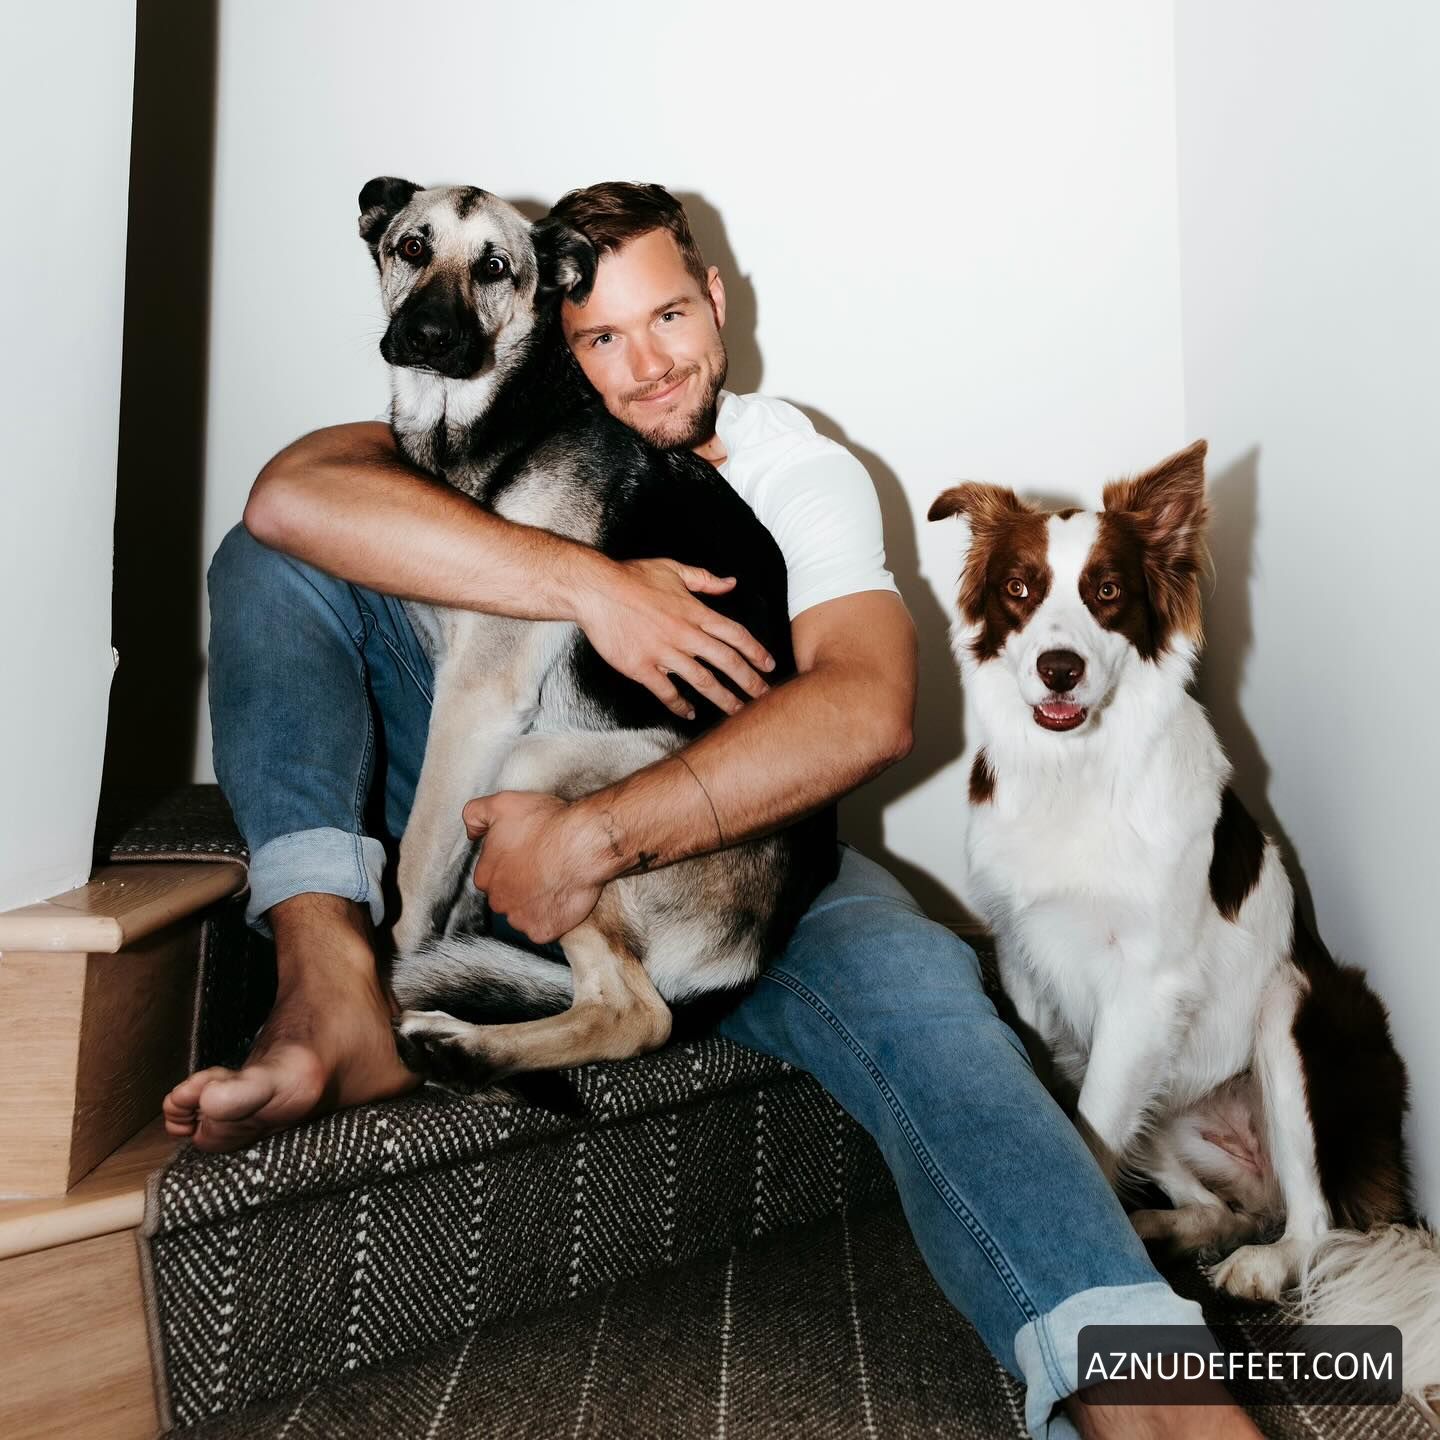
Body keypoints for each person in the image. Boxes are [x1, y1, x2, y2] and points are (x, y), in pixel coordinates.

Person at [163, 182, 1259, 1440]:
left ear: (717, 302)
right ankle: (327, 984)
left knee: (928, 995)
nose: (646, 365)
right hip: (484, 799)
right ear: (550, 336)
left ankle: (1151, 1395)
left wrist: (596, 836)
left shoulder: (797, 464)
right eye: (602, 336)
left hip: (739, 835)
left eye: (670, 317)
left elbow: (866, 709)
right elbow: (286, 500)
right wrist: (594, 586)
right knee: (272, 559)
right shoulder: (487, 419)